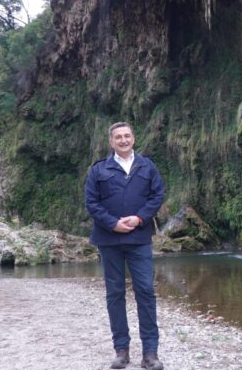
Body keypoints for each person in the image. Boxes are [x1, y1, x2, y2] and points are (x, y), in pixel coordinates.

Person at [85, 122, 165, 370]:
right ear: (111, 142)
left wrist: (140, 218)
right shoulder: (98, 170)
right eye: (118, 137)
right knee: (115, 294)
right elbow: (91, 202)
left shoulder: (147, 166)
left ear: (133, 138)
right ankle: (121, 351)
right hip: (109, 240)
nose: (123, 140)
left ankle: (150, 354)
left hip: (139, 239)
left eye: (127, 136)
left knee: (145, 291)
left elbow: (158, 195)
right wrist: (112, 224)